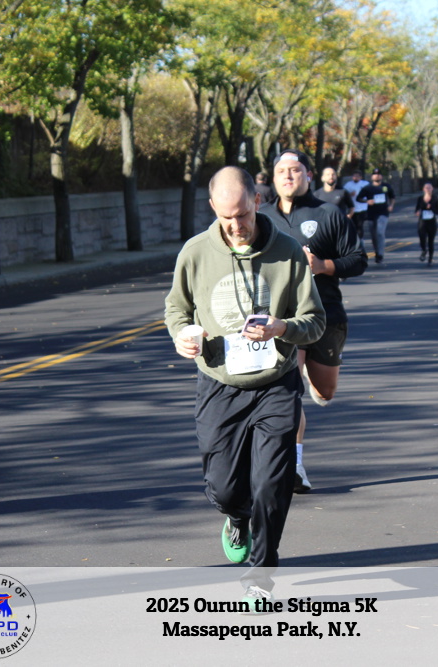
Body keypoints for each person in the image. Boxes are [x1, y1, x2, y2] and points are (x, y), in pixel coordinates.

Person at [164, 166, 326, 608]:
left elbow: (315, 321)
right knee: (223, 488)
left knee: (272, 485)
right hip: (219, 384)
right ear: (213, 208)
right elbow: (176, 309)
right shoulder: (195, 253)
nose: (236, 225)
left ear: (257, 200)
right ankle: (237, 518)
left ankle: (261, 578)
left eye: (243, 214)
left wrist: (281, 327)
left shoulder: (287, 252)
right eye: (226, 217)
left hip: (276, 384)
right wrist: (181, 336)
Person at [260, 149, 367, 493]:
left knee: (324, 391)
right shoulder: (261, 218)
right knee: (289, 394)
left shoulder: (328, 213)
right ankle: (295, 466)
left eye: (295, 170)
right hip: (282, 320)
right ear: (273, 178)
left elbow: (358, 260)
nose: (288, 176)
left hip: (325, 315)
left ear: (308, 175)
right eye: (281, 171)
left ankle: (312, 374)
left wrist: (322, 266)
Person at [356, 168, 396, 264]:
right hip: (371, 214)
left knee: (380, 232)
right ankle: (377, 252)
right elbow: (359, 198)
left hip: (383, 213)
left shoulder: (386, 186)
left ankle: (381, 254)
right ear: (372, 176)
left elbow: (392, 197)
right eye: (375, 174)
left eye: (378, 174)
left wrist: (391, 205)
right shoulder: (367, 188)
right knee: (374, 235)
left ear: (381, 176)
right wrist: (367, 201)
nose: (377, 176)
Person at [414, 182, 438, 265]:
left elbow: (437, 211)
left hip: (432, 222)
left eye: (429, 188)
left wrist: (431, 207)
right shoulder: (420, 198)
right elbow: (417, 209)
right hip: (422, 221)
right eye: (426, 188)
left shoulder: (435, 198)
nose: (428, 189)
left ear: (432, 189)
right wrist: (417, 212)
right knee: (422, 238)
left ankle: (430, 258)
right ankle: (424, 250)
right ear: (423, 189)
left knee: (431, 241)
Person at [343, 170, 369, 243]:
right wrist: (350, 194)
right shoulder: (348, 185)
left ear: (361, 177)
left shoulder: (365, 184)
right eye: (354, 176)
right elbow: (343, 195)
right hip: (353, 209)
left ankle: (360, 240)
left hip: (362, 208)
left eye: (357, 176)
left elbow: (370, 194)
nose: (355, 177)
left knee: (359, 225)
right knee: (353, 225)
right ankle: (355, 240)